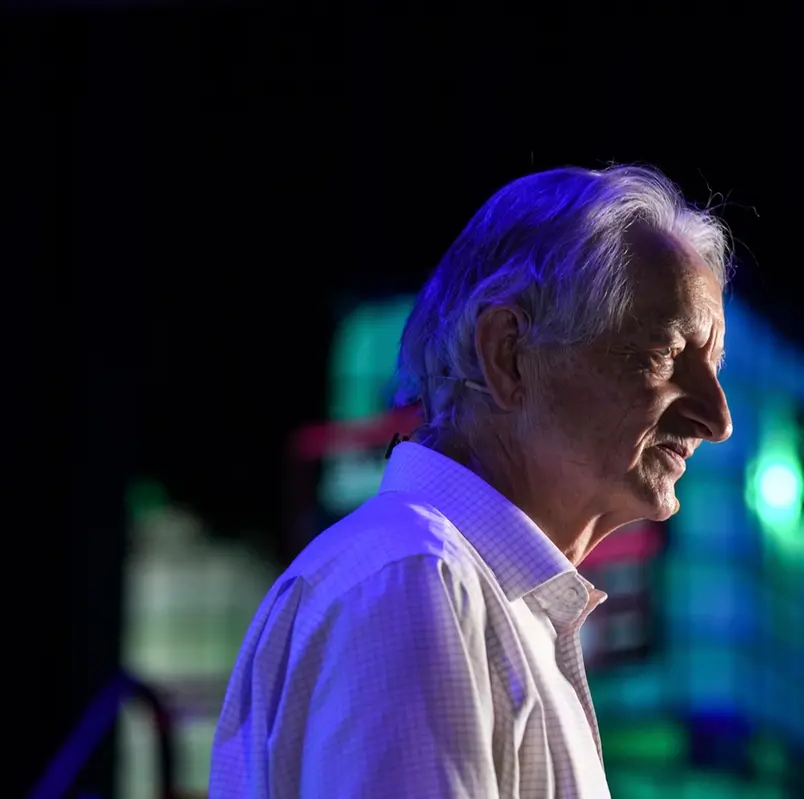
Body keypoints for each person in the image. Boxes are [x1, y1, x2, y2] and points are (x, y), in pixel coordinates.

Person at [209, 165, 734, 797]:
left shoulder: (458, 589)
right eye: (667, 355)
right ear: (509, 353)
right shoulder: (416, 579)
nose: (718, 419)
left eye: (713, 366)